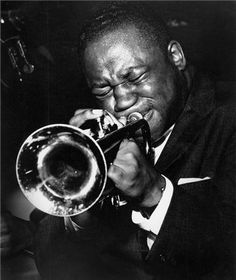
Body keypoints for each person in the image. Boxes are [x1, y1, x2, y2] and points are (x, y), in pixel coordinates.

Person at [1, 3, 235, 280]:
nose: (122, 101)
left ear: (175, 56)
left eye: (135, 77)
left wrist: (154, 194)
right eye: (103, 89)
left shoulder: (227, 119)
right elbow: (55, 266)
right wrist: (79, 207)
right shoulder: (100, 137)